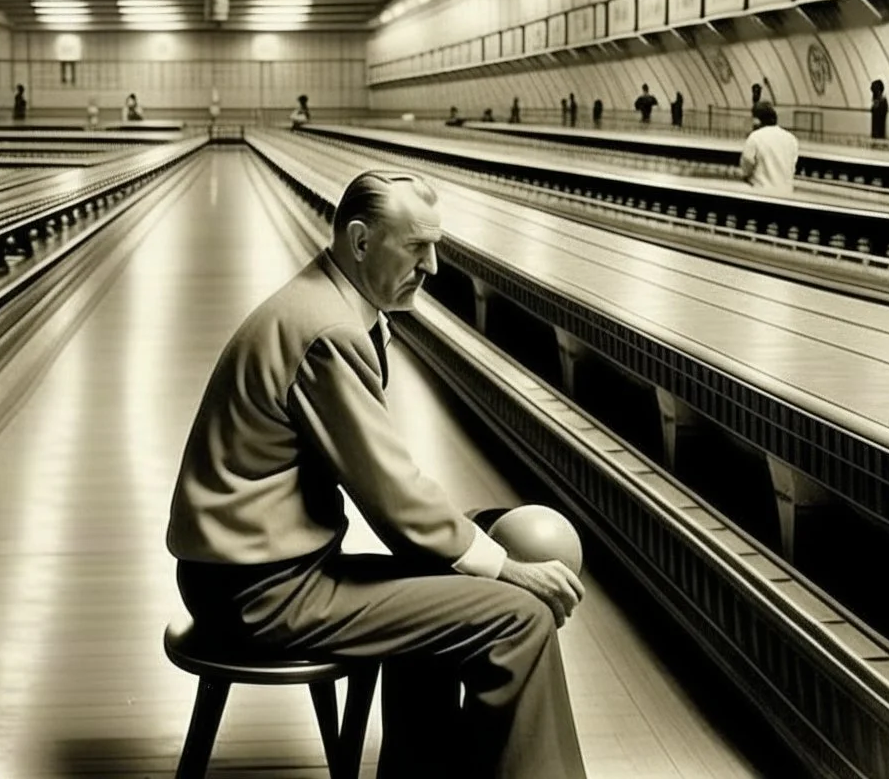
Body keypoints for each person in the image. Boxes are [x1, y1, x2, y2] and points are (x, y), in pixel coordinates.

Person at [167, 170, 588, 779]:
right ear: (361, 243)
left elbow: (392, 491)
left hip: (249, 572)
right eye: (417, 247)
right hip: (261, 592)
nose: (434, 266)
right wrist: (507, 567)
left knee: (444, 576)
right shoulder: (329, 329)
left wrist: (465, 546)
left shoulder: (328, 305)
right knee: (517, 618)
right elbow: (392, 495)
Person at [739, 99, 798, 196]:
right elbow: (792, 167)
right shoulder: (791, 139)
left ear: (757, 120)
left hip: (762, 193)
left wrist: (746, 175)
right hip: (786, 194)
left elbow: (747, 161)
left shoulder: (755, 137)